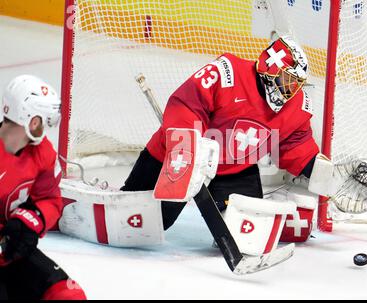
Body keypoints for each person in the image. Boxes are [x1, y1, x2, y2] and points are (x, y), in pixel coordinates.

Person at [122, 35, 324, 230]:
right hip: (179, 158)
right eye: (288, 79)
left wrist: (321, 172)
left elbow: (296, 144)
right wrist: (188, 149)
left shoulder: (298, 106)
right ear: (270, 68)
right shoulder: (227, 72)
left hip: (234, 171)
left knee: (246, 232)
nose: (292, 90)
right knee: (144, 221)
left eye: (296, 83)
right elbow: (187, 104)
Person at [0, 75, 86, 300]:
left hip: (10, 251)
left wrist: (28, 222)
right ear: (32, 120)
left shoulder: (43, 152)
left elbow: (49, 199)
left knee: (69, 296)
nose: (44, 128)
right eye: (43, 120)